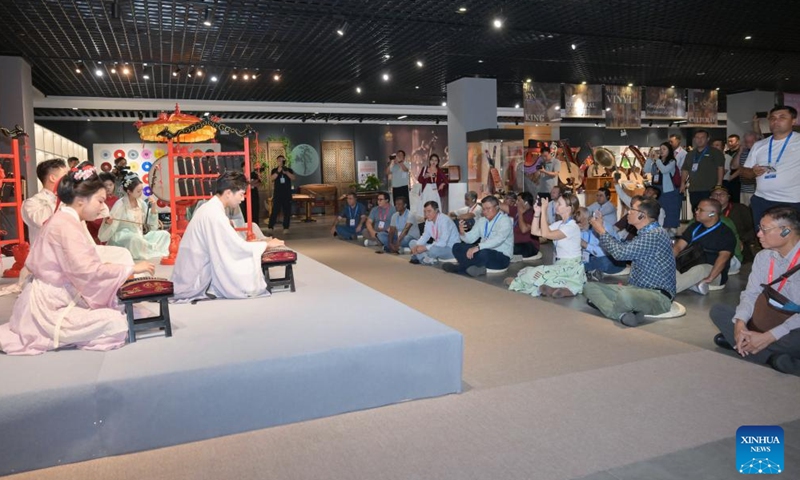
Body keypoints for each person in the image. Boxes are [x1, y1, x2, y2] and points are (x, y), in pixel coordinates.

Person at [0, 164, 155, 355]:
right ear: (81, 200)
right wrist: (129, 270)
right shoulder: (65, 224)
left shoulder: (67, 219)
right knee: (115, 322)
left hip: (59, 292)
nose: (102, 208)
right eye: (99, 201)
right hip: (49, 303)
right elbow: (88, 271)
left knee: (124, 308)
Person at [710, 206, 800, 374]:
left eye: (764, 230)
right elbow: (751, 294)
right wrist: (740, 324)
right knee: (718, 311)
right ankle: (774, 357)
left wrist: (769, 336)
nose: (758, 234)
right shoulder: (763, 257)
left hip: (793, 326)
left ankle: (748, 347)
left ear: (786, 232)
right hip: (766, 318)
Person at [172, 171, 281, 301]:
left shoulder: (211, 208)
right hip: (195, 276)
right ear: (228, 193)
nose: (243, 198)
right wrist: (266, 245)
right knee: (241, 265)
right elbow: (235, 247)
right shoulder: (214, 213)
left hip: (192, 267)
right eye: (241, 194)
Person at [583, 197, 676, 326]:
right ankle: (621, 314)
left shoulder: (654, 234)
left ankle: (615, 310)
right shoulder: (644, 233)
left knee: (625, 296)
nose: (629, 212)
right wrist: (603, 229)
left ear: (641, 216)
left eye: (632, 209)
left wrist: (601, 231)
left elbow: (620, 254)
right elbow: (621, 247)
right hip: (635, 290)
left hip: (657, 295)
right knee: (589, 287)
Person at [507, 193, 585, 297]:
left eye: (560, 204)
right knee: (530, 271)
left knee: (536, 272)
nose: (556, 206)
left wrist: (544, 211)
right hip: (561, 264)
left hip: (571, 266)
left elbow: (546, 234)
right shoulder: (560, 224)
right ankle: (559, 289)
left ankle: (522, 283)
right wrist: (538, 213)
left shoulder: (572, 227)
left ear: (569, 208)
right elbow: (535, 232)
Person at [742, 105, 800, 227]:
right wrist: (753, 172)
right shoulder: (759, 145)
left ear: (793, 121)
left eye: (782, 117)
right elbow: (745, 173)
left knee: (789, 240)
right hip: (762, 201)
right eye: (772, 118)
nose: (775, 121)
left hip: (791, 201)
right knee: (764, 237)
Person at [99, 173, 170, 261]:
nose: (141, 193)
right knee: (134, 239)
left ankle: (143, 249)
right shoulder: (120, 204)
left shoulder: (141, 203)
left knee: (164, 234)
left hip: (139, 235)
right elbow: (112, 225)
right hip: (123, 236)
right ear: (129, 191)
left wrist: (153, 209)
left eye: (141, 190)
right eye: (138, 191)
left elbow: (153, 227)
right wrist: (108, 222)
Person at [673, 198, 737, 294]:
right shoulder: (694, 227)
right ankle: (693, 285)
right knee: (669, 263)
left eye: (700, 210)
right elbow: (678, 247)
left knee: (700, 269)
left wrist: (710, 278)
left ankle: (666, 290)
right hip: (688, 265)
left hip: (713, 272)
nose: (696, 212)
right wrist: (668, 260)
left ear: (712, 214)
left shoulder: (725, 233)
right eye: (696, 209)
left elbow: (723, 258)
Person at [442, 195, 513, 277]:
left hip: (501, 257)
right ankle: (475, 268)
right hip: (482, 251)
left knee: (484, 253)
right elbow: (470, 239)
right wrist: (463, 233)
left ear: (497, 207)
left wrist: (478, 247)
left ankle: (460, 269)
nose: (485, 211)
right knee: (457, 247)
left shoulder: (505, 221)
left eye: (488, 208)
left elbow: (498, 240)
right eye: (483, 209)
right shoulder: (482, 220)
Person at [22, 158, 69, 245]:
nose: (69, 179)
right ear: (52, 178)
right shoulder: (32, 203)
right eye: (65, 175)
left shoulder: (70, 199)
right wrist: (61, 197)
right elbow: (42, 221)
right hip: (46, 256)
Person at [681, 130, 725, 212]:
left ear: (708, 139)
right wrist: (682, 183)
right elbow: (685, 169)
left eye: (702, 137)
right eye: (697, 137)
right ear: (694, 139)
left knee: (710, 211)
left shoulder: (715, 152)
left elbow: (720, 168)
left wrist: (719, 184)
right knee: (696, 211)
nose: (699, 139)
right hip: (694, 189)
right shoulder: (690, 154)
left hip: (709, 189)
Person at [711, 185, 756, 263]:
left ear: (728, 197)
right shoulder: (706, 212)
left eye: (722, 194)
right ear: (710, 197)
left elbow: (755, 228)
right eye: (715, 194)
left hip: (737, 248)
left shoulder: (740, 209)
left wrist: (742, 240)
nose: (718, 197)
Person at [578, 206, 625, 279]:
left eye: (579, 222)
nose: (578, 225)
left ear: (588, 219)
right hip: (592, 258)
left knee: (605, 261)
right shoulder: (581, 228)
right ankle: (590, 270)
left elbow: (605, 252)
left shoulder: (603, 226)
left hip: (611, 257)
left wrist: (585, 245)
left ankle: (586, 269)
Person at [644, 142, 681, 230]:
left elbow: (664, 170)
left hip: (667, 190)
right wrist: (649, 159)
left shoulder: (672, 161)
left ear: (669, 151)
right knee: (656, 209)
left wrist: (657, 160)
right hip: (656, 189)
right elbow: (646, 169)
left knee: (668, 210)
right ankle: (656, 228)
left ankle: (670, 229)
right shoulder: (657, 162)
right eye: (660, 149)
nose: (661, 151)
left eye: (664, 149)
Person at [409, 200, 459, 265]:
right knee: (412, 243)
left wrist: (425, 248)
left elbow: (443, 243)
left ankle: (423, 258)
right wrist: (417, 245)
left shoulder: (445, 220)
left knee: (433, 250)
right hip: (437, 246)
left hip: (450, 248)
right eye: (425, 212)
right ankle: (425, 259)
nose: (426, 214)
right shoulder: (428, 221)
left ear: (436, 210)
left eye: (429, 211)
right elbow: (425, 237)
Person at [502, 191, 541, 261]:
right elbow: (501, 206)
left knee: (505, 248)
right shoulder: (515, 210)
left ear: (525, 202)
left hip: (529, 246)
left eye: (519, 200)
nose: (516, 202)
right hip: (515, 243)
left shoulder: (533, 213)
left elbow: (524, 229)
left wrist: (520, 213)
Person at [86, 172, 118, 244]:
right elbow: (93, 218)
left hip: (111, 233)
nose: (108, 187)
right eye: (105, 185)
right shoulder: (95, 199)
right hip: (96, 233)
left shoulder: (117, 200)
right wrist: (105, 223)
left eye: (111, 185)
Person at [268, 155, 295, 234]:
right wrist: (278, 171)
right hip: (277, 194)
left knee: (287, 211)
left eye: (282, 160)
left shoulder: (288, 170)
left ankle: (286, 227)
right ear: (277, 161)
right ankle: (270, 226)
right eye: (279, 160)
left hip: (287, 194)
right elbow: (272, 178)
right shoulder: (274, 170)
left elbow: (293, 178)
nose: (280, 161)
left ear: (284, 161)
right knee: (275, 211)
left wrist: (286, 172)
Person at [723, 134, 741, 203]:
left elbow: (741, 167)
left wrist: (731, 177)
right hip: (726, 180)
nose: (729, 143)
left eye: (731, 141)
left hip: (736, 180)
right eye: (728, 141)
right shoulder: (727, 153)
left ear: (737, 142)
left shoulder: (740, 152)